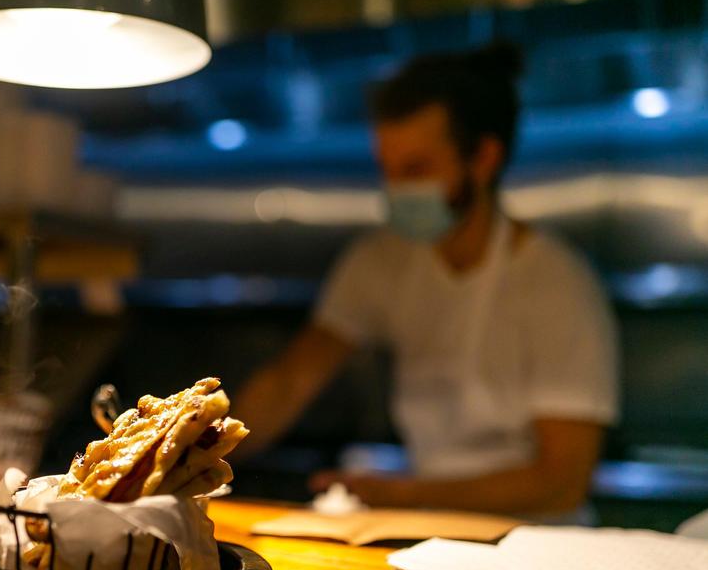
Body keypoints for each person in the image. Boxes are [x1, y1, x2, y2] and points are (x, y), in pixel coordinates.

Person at [232, 43, 618, 521]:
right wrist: (196, 453)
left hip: (540, 543)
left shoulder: (557, 283)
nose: (397, 190)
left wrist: (401, 496)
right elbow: (289, 382)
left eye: (416, 169)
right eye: (388, 170)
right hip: (429, 529)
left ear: (483, 158)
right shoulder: (380, 261)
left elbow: (560, 484)